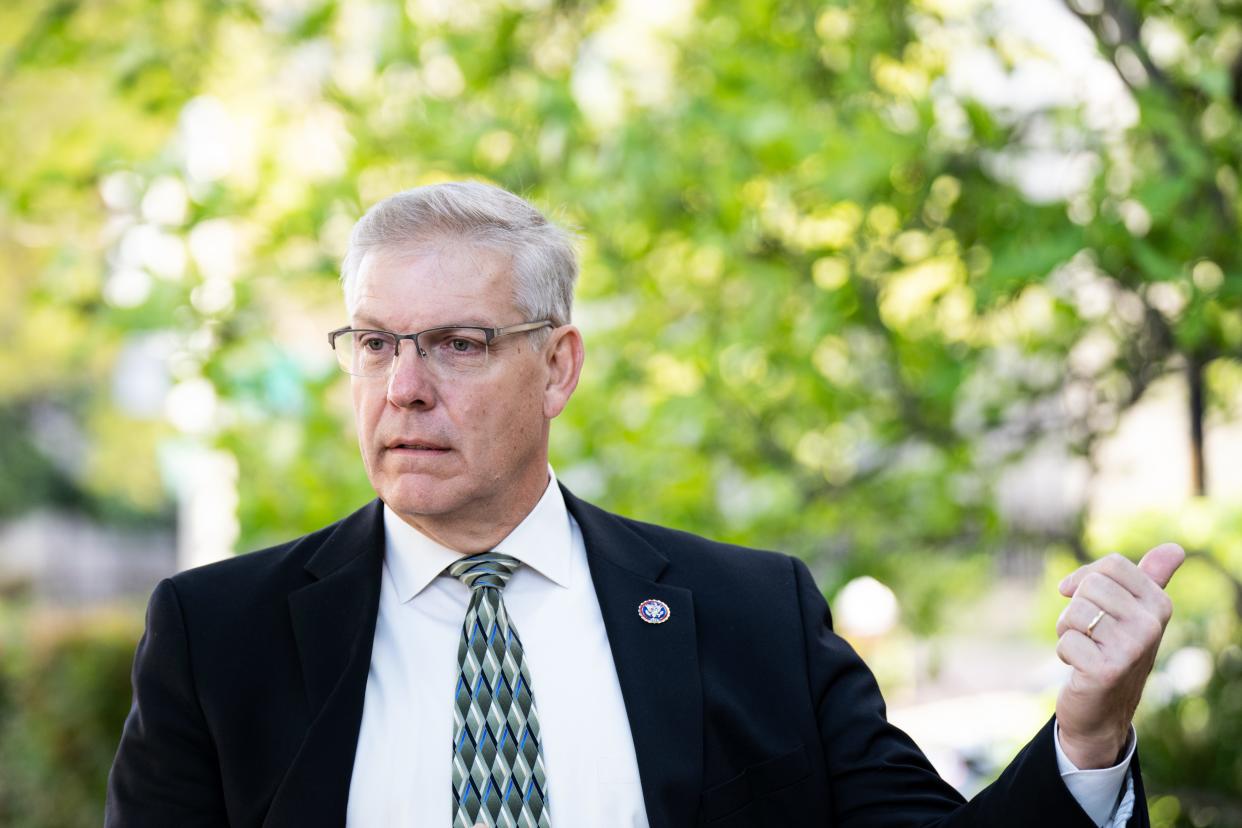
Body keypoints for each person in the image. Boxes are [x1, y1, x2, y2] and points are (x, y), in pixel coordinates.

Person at [106, 181, 1183, 827]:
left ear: (559, 367)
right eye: (378, 342)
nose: (405, 386)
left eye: (459, 344)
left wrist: (1087, 736)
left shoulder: (752, 616)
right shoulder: (222, 636)